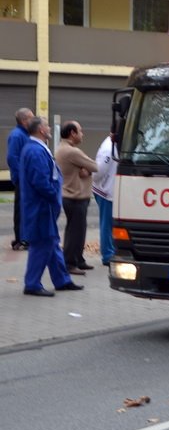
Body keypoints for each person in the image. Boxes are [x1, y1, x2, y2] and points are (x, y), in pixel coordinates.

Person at [19, 116, 82, 296]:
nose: (49, 128)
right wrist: (54, 198)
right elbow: (40, 182)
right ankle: (32, 284)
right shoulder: (35, 151)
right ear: (40, 130)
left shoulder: (36, 148)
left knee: (51, 243)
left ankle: (62, 280)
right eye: (46, 126)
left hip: (42, 206)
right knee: (42, 244)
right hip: (41, 207)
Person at [54, 120, 98, 274]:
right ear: (72, 133)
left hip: (71, 196)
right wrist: (87, 169)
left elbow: (88, 167)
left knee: (77, 230)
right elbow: (95, 165)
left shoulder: (63, 148)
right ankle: (70, 263)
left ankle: (78, 259)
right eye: (80, 131)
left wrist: (85, 169)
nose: (82, 134)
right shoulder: (72, 152)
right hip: (75, 197)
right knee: (75, 232)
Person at [6, 107, 34, 250]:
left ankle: (24, 238)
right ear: (24, 121)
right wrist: (22, 177)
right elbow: (12, 158)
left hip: (26, 179)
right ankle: (21, 239)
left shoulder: (24, 134)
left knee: (26, 208)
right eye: (31, 117)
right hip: (23, 180)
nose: (34, 120)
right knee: (21, 209)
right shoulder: (17, 135)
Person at [92, 131, 117, 266]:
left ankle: (111, 250)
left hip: (109, 190)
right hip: (105, 191)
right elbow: (99, 171)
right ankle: (107, 254)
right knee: (106, 224)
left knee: (110, 223)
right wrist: (102, 185)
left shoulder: (114, 145)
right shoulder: (109, 147)